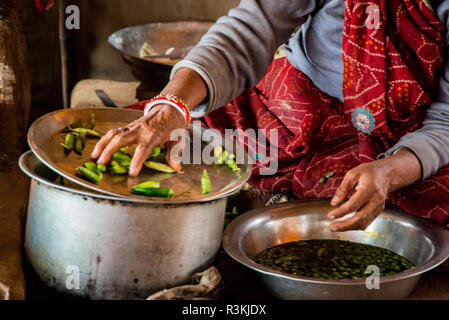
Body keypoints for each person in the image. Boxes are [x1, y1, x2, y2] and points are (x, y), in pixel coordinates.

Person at [92, 0, 449, 232]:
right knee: (157, 148)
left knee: (413, 211)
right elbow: (246, 33)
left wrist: (390, 171)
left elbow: (446, 119)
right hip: (287, 107)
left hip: (396, 139)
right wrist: (171, 107)